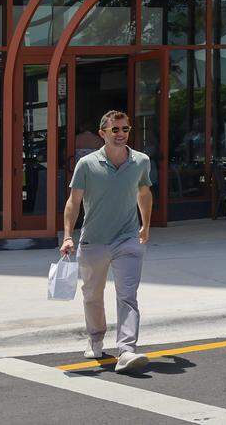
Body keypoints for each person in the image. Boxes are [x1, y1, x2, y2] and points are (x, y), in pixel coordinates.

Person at [60, 109, 152, 374]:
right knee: (92, 295)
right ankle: (96, 338)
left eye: (125, 129)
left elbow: (144, 193)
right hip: (94, 241)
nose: (121, 134)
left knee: (128, 296)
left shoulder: (141, 161)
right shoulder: (86, 164)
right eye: (115, 129)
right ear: (102, 133)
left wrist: (145, 225)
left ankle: (126, 350)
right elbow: (74, 202)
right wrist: (68, 236)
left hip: (128, 239)